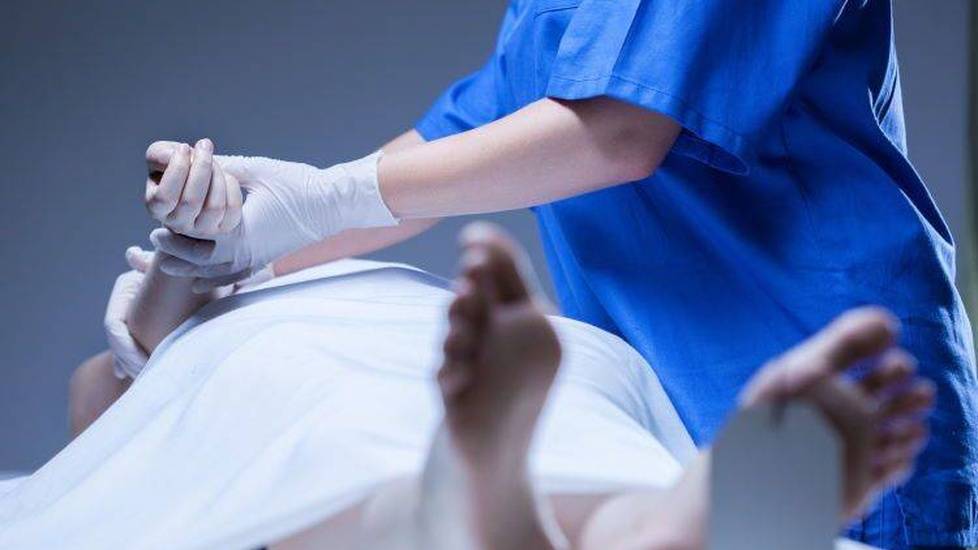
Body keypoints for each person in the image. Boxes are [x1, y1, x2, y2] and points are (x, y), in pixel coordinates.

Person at [132, 2, 976, 548]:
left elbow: (618, 130)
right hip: (665, 392)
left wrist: (327, 198)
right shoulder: (554, 11)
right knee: (630, 521)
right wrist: (230, 246)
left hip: (814, 340)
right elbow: (441, 163)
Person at [14, 217, 932, 549]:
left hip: (342, 370)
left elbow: (108, 445)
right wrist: (172, 279)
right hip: (533, 360)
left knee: (335, 467)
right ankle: (650, 529)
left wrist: (182, 284)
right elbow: (106, 403)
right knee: (589, 455)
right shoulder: (192, 327)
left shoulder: (287, 295)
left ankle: (468, 501)